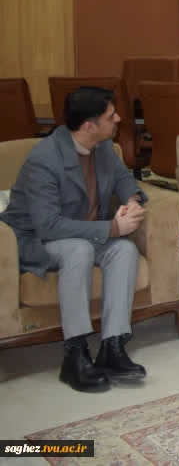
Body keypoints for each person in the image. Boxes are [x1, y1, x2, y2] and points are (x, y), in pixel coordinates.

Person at [0, 86, 149, 392]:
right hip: (37, 241)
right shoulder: (44, 159)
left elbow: (123, 178)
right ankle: (75, 353)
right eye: (111, 116)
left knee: (124, 250)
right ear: (89, 126)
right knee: (79, 250)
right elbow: (49, 226)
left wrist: (132, 200)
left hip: (85, 234)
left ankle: (113, 346)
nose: (118, 119)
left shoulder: (103, 147)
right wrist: (112, 228)